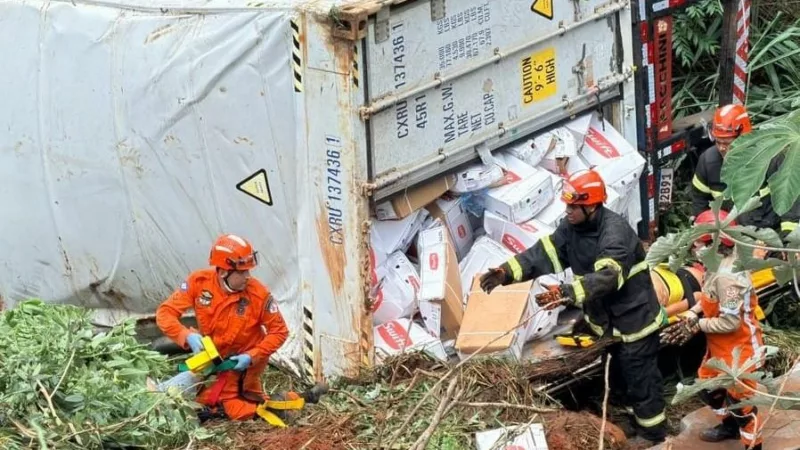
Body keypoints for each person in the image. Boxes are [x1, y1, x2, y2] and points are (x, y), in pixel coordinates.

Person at [479, 169, 668, 444]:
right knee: (618, 377)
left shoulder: (614, 233)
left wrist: (566, 293)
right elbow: (543, 254)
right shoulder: (572, 228)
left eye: (573, 206)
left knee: (641, 379)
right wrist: (506, 273)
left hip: (635, 322)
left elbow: (608, 277)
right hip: (609, 323)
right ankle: (631, 421)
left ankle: (653, 433)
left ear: (591, 206)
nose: (567, 210)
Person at [661, 209, 765, 450]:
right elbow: (709, 297)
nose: (694, 246)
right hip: (720, 347)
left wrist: (697, 325)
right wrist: (692, 313)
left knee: (742, 404)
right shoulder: (713, 265)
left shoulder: (730, 278)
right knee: (709, 388)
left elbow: (731, 322)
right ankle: (729, 426)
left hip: (741, 350)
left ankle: (753, 444)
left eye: (698, 241)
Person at [156, 234, 289, 421]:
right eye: (242, 272)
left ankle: (281, 403)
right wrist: (186, 336)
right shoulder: (199, 282)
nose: (247, 277)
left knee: (228, 408)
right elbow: (165, 313)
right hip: (211, 363)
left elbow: (280, 332)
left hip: (241, 370)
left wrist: (252, 356)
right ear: (224, 272)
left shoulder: (258, 294)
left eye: (248, 271)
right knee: (179, 399)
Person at [691, 104, 800, 240]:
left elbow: (790, 209)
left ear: (744, 138)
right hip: (727, 236)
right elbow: (699, 200)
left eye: (727, 143)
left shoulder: (771, 158)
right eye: (718, 142)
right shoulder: (708, 161)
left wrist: (784, 243)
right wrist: (702, 235)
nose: (722, 148)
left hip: (767, 234)